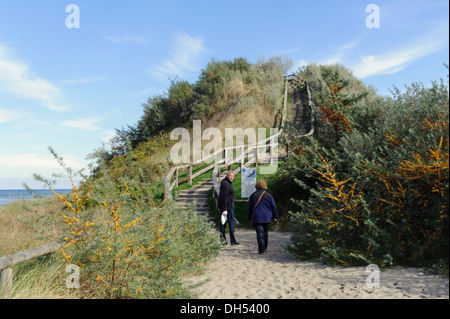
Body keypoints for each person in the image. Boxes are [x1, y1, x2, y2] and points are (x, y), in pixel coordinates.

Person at [248, 180, 278, 254]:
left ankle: (261, 250)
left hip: (257, 217)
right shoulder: (268, 195)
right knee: (265, 233)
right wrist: (275, 216)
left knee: (259, 233)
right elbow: (273, 207)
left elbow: (250, 208)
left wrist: (249, 217)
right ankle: (264, 248)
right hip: (267, 216)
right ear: (265, 186)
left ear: (256, 186)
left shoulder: (253, 195)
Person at [218, 171, 239, 245]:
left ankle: (232, 240)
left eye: (233, 176)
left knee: (229, 223)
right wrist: (224, 209)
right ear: (227, 176)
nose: (232, 177)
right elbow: (223, 197)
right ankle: (224, 240)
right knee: (224, 223)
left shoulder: (228, 183)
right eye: (230, 176)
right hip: (227, 208)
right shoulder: (225, 184)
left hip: (229, 207)